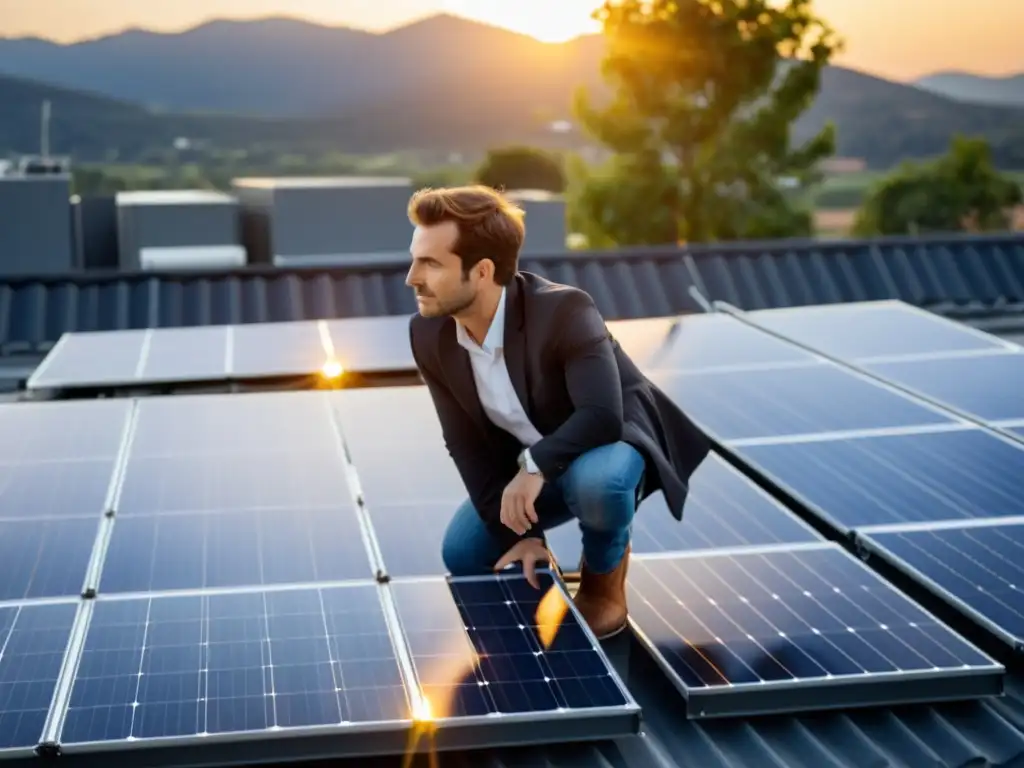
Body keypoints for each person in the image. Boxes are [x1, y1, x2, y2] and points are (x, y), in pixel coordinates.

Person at [405, 185, 711, 640]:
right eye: (415, 259)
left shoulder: (565, 309)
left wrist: (534, 465)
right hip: (536, 465)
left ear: (483, 271)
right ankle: (540, 593)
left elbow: (601, 416)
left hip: (605, 446)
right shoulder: (429, 335)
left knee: (599, 483)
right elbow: (463, 443)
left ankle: (604, 581)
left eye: (430, 263)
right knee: (465, 551)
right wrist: (524, 537)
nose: (412, 277)